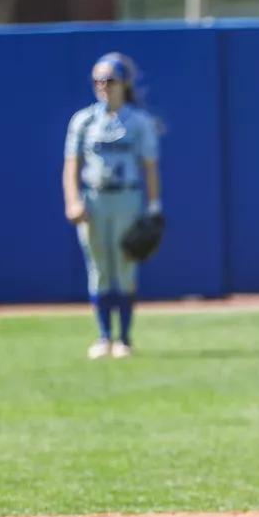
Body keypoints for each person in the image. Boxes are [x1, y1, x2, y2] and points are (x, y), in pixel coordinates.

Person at [62, 52, 162, 359]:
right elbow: (71, 165)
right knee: (100, 269)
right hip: (94, 198)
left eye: (110, 80)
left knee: (125, 267)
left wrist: (155, 207)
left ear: (124, 83)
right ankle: (104, 336)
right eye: (98, 80)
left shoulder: (139, 122)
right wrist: (73, 200)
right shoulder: (84, 120)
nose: (104, 85)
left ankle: (125, 338)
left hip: (127, 197)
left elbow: (149, 166)